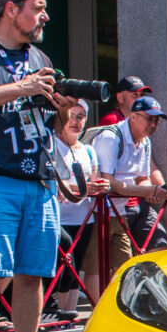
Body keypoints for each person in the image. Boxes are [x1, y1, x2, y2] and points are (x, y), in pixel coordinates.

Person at [0, 0, 75, 332]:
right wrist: (23, 87)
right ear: (10, 8)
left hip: (38, 181)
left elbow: (48, 124)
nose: (45, 16)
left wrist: (61, 110)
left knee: (31, 276)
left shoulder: (40, 55)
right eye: (38, 8)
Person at [91, 96, 167, 270]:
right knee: (101, 269)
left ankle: (149, 293)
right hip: (107, 210)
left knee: (160, 246)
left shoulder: (145, 141)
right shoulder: (111, 137)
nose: (153, 124)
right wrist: (149, 191)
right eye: (149, 119)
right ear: (133, 116)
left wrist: (152, 191)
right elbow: (108, 183)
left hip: (133, 206)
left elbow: (143, 178)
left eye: (156, 120)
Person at [54, 99, 109, 312]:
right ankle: (55, 311)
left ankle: (67, 313)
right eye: (71, 116)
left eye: (80, 117)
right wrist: (82, 187)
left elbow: (93, 178)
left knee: (75, 268)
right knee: (64, 267)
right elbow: (52, 180)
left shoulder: (88, 150)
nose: (75, 122)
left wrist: (98, 186)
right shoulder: (51, 143)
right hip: (59, 217)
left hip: (85, 218)